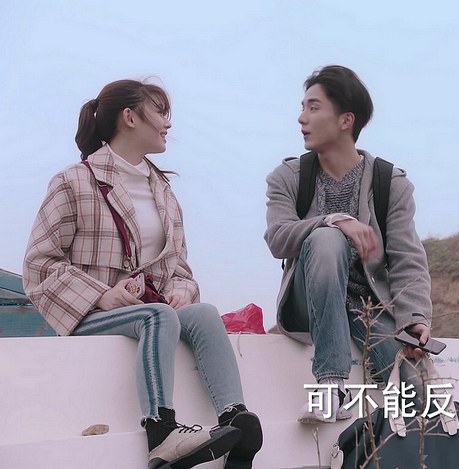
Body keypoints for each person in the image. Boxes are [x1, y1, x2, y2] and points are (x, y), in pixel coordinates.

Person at [23, 79, 262, 469]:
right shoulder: (73, 181)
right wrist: (102, 294)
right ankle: (161, 433)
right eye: (160, 112)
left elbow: (179, 268)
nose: (168, 123)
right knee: (159, 315)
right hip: (93, 317)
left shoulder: (163, 191)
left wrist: (182, 290)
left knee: (202, 313)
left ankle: (235, 422)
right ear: (129, 117)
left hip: (149, 313)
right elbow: (38, 264)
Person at [264, 65, 433, 424]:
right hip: (308, 301)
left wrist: (415, 318)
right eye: (303, 107)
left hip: (368, 306)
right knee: (326, 238)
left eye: (313, 108)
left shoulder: (390, 182)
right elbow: (278, 237)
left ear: (346, 120)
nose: (301, 118)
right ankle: (331, 384)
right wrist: (334, 220)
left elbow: (407, 257)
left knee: (416, 396)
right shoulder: (288, 177)